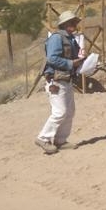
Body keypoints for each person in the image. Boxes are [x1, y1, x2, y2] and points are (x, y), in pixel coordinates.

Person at [35, 10, 86, 154]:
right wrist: (71, 64)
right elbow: (52, 59)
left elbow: (73, 58)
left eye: (75, 22)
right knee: (60, 112)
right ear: (64, 24)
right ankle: (43, 138)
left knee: (69, 112)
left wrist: (82, 62)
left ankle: (60, 140)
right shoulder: (57, 38)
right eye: (71, 23)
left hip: (66, 79)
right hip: (56, 80)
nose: (74, 25)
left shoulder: (70, 38)